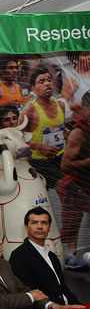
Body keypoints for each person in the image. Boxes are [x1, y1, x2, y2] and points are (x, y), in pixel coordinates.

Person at [10, 207, 85, 306]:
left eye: (44, 223)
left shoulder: (52, 256)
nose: (40, 226)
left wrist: (81, 307)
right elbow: (30, 294)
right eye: (34, 223)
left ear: (49, 227)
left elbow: (64, 289)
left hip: (67, 307)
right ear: (26, 227)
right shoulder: (19, 256)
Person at [19, 67, 66, 192]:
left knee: (67, 192)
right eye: (42, 81)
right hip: (39, 161)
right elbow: (18, 140)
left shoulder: (60, 105)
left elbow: (62, 130)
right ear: (33, 89)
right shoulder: (29, 110)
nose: (47, 83)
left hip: (60, 156)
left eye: (49, 80)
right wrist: (41, 147)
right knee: (61, 188)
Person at [60, 90, 90, 267]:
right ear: (86, 110)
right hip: (75, 186)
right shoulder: (79, 132)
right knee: (68, 232)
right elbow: (65, 166)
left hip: (86, 186)